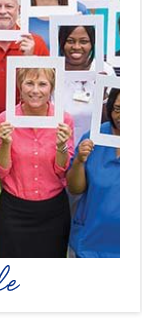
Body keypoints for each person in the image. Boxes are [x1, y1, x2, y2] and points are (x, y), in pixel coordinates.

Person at [0, 68, 74, 258]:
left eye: (42, 84)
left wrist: (61, 145)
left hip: (52, 212)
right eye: (29, 83)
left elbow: (61, 171)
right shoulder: (6, 119)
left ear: (51, 88)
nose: (35, 90)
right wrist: (6, 143)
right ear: (20, 86)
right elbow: (1, 171)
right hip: (14, 211)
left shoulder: (63, 120)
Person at [67, 88, 120, 258]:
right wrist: (79, 161)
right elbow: (75, 188)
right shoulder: (94, 137)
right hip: (90, 243)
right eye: (117, 109)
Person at [58, 25, 116, 145]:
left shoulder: (104, 70)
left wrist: (102, 94)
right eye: (70, 41)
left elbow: (114, 122)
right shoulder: (52, 71)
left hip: (95, 149)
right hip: (59, 150)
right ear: (61, 42)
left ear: (92, 44)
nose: (76, 47)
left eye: (84, 41)